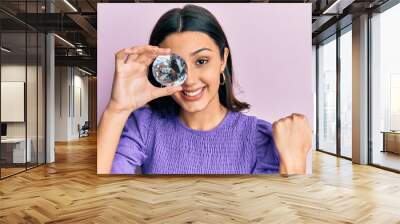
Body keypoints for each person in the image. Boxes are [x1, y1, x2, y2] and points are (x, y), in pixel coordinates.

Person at [97, 4, 312, 175]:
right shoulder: (144, 126)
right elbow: (102, 197)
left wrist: (294, 164)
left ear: (222, 60)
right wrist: (117, 109)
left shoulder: (258, 137)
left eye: (201, 61)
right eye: (175, 66)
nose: (189, 80)